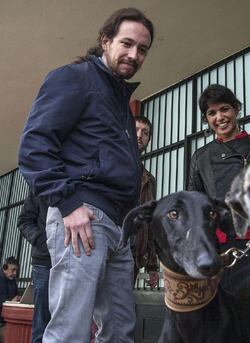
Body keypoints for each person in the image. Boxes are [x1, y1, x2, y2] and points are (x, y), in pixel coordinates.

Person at [18, 8, 154, 342]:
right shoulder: (74, 77)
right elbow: (34, 145)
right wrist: (67, 203)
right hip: (84, 220)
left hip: (119, 229)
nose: (134, 54)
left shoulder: (120, 100)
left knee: (119, 331)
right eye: (127, 43)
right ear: (105, 40)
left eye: (143, 49)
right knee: (71, 331)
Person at [188, 84, 250, 294]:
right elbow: (195, 205)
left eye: (224, 109)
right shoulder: (201, 157)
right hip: (223, 247)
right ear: (207, 119)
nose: (219, 117)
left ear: (236, 109)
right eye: (212, 113)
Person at [17, 192, 50, 343]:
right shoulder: (39, 186)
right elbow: (24, 220)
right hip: (44, 261)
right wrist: (41, 240)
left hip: (75, 259)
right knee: (42, 318)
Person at [133, 116, 159, 289]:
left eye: (145, 132)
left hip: (132, 255)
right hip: (102, 248)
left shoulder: (149, 180)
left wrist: (152, 265)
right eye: (135, 129)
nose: (139, 135)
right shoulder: (107, 163)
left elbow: (150, 222)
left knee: (118, 312)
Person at [0, 256, 21, 340]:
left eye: (16, 270)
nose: (15, 273)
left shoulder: (12, 281)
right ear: (5, 267)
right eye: (13, 270)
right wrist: (10, 301)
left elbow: (16, 295)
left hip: (8, 318)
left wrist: (18, 298)